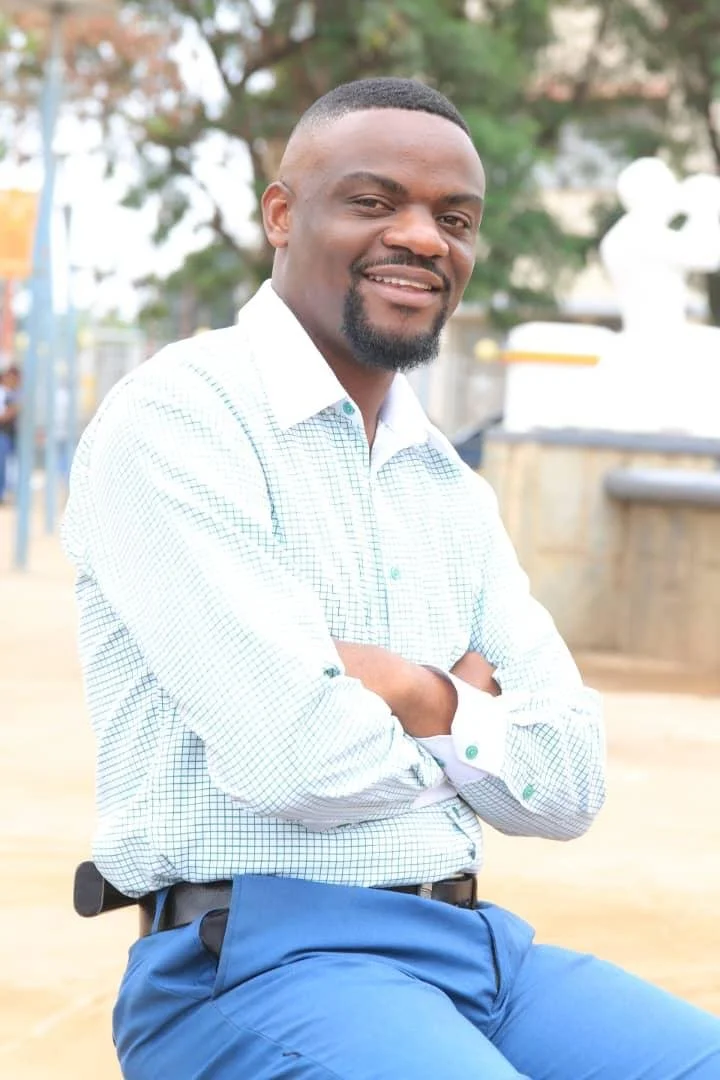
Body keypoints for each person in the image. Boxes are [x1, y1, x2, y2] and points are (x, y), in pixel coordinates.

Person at [62, 78, 720, 1079]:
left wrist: (418, 693)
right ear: (282, 214)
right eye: (375, 202)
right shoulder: (181, 421)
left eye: (454, 218)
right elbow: (296, 758)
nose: (423, 237)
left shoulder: (445, 480)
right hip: (259, 962)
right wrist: (477, 725)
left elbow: (573, 780)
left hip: (474, 950)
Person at [0, 364, 20, 505]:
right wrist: (12, 411)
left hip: (10, 436)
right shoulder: (3, 393)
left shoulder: (13, 394)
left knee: (10, 466)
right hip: (3, 435)